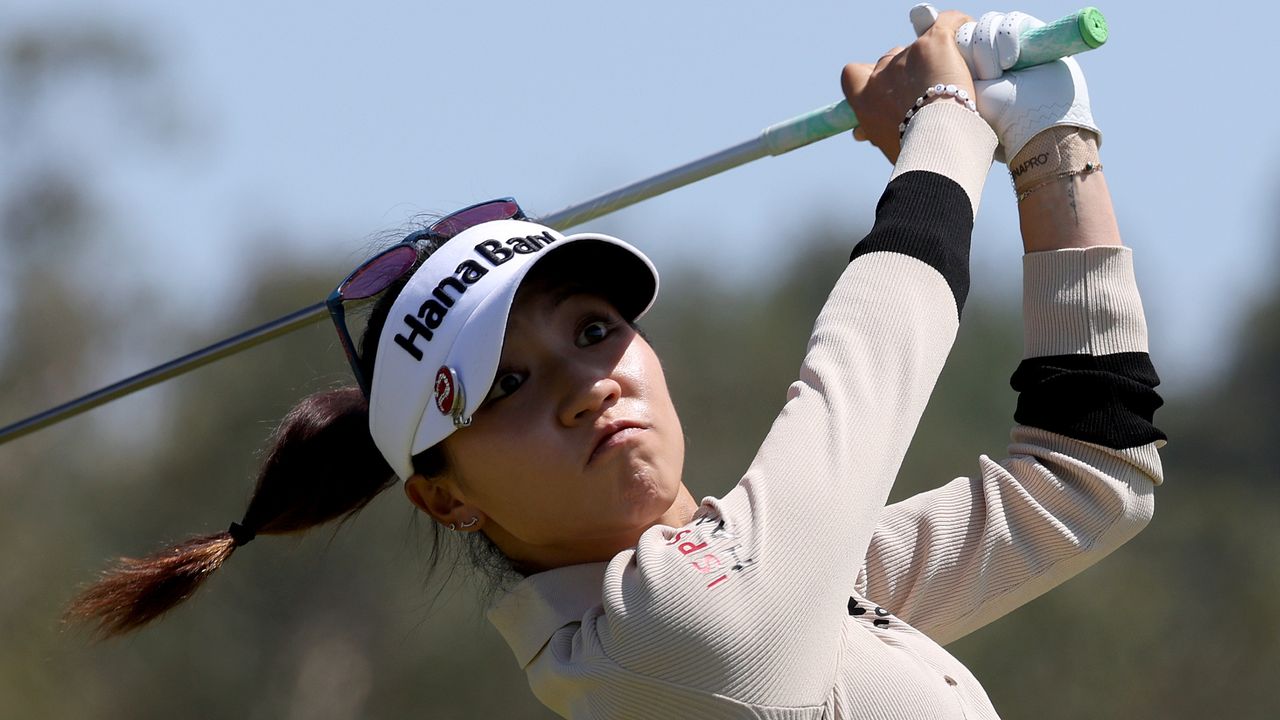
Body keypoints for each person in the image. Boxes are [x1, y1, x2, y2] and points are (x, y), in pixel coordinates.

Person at [68, 8, 1165, 718]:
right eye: (504, 385)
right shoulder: (670, 638)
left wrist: (1051, 153)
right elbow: (866, 363)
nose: (583, 382)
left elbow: (1085, 481)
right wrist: (944, 125)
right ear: (443, 502)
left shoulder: (744, 587)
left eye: (590, 330)